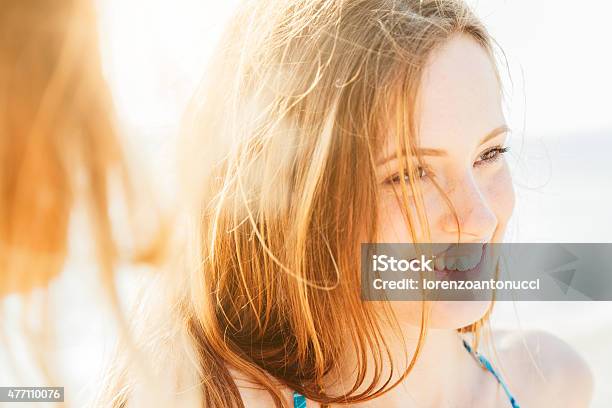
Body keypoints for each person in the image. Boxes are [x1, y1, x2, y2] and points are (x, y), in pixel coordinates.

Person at [104, 0, 593, 406]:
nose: (480, 217)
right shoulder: (207, 396)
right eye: (410, 173)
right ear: (301, 195)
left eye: (489, 154)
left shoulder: (552, 383)